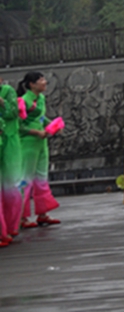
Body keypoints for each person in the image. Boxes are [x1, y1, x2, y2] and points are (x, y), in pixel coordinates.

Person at [18, 72, 61, 228]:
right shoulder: (23, 101)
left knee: (41, 178)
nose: (45, 82)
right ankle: (21, 217)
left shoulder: (41, 98)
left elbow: (40, 118)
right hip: (28, 143)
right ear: (32, 84)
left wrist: (52, 125)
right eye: (41, 80)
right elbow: (19, 125)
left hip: (41, 143)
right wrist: (36, 132)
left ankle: (42, 214)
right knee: (25, 179)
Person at [0, 77, 23, 244]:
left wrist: (2, 103)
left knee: (11, 185)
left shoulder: (7, 91)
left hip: (9, 141)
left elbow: (13, 113)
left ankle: (11, 226)